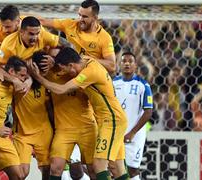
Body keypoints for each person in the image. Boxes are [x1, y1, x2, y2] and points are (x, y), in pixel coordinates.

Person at [29, 47, 129, 180]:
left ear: (71, 65)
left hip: (112, 120)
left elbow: (62, 89)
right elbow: (70, 54)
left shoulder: (89, 72)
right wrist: (56, 62)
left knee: (99, 165)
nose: (62, 73)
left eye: (64, 69)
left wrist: (39, 78)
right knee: (118, 168)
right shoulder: (86, 61)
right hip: (110, 120)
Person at [41, 48, 97, 180]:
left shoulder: (82, 75)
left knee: (92, 169)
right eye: (51, 59)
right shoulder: (49, 75)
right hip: (64, 130)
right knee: (55, 168)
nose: (52, 62)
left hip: (87, 128)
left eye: (55, 60)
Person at [39, 0, 116, 75]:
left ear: (95, 18)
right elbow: (42, 21)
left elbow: (112, 66)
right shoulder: (70, 24)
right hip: (68, 72)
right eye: (79, 15)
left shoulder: (104, 37)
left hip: (88, 75)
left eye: (84, 17)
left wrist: (86, 59)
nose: (80, 19)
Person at [12, 51, 54, 179]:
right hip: (22, 134)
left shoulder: (47, 83)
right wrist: (30, 78)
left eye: (45, 70)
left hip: (43, 132)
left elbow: (50, 108)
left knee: (47, 169)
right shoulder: (19, 82)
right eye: (40, 70)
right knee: (22, 173)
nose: (43, 73)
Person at [113, 52, 153, 180]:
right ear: (119, 64)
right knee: (113, 168)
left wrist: (132, 133)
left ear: (135, 65)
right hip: (116, 133)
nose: (127, 64)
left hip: (135, 135)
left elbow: (148, 112)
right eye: (124, 61)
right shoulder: (113, 83)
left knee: (132, 169)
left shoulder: (143, 85)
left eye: (130, 61)